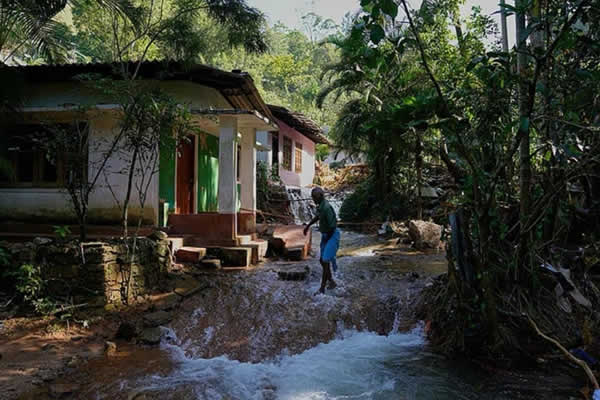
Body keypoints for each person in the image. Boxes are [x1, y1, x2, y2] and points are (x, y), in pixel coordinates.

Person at [303, 187, 340, 295]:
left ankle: (322, 288)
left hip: (332, 235)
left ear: (321, 196)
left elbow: (332, 226)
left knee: (325, 260)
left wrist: (328, 240)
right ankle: (331, 281)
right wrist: (308, 226)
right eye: (312, 197)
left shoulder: (326, 208)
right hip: (326, 235)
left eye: (314, 197)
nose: (313, 199)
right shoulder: (321, 206)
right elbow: (318, 217)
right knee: (322, 260)